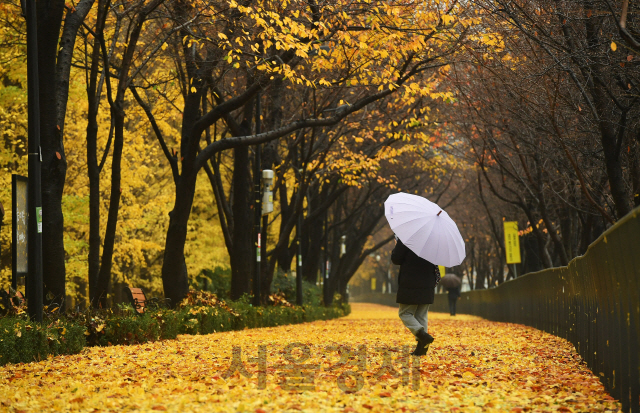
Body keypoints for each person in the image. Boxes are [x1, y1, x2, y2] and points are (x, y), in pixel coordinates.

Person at [391, 237, 439, 356]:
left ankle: (423, 335)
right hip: (428, 281)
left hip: (411, 282)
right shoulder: (433, 239)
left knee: (404, 313)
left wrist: (397, 245)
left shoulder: (407, 236)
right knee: (421, 315)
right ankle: (421, 349)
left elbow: (396, 259)